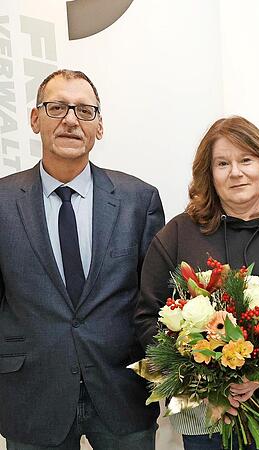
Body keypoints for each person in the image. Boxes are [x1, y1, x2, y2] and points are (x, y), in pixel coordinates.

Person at [134, 116, 259, 450]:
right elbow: (147, 318)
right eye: (223, 163)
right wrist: (206, 380)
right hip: (204, 416)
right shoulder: (178, 234)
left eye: (246, 160)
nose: (236, 172)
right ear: (209, 175)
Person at [0, 69, 164, 449]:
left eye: (85, 111)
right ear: (34, 119)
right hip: (31, 394)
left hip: (123, 389)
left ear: (100, 126)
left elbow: (156, 302)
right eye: (57, 107)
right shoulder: (3, 202)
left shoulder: (139, 200)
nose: (71, 120)